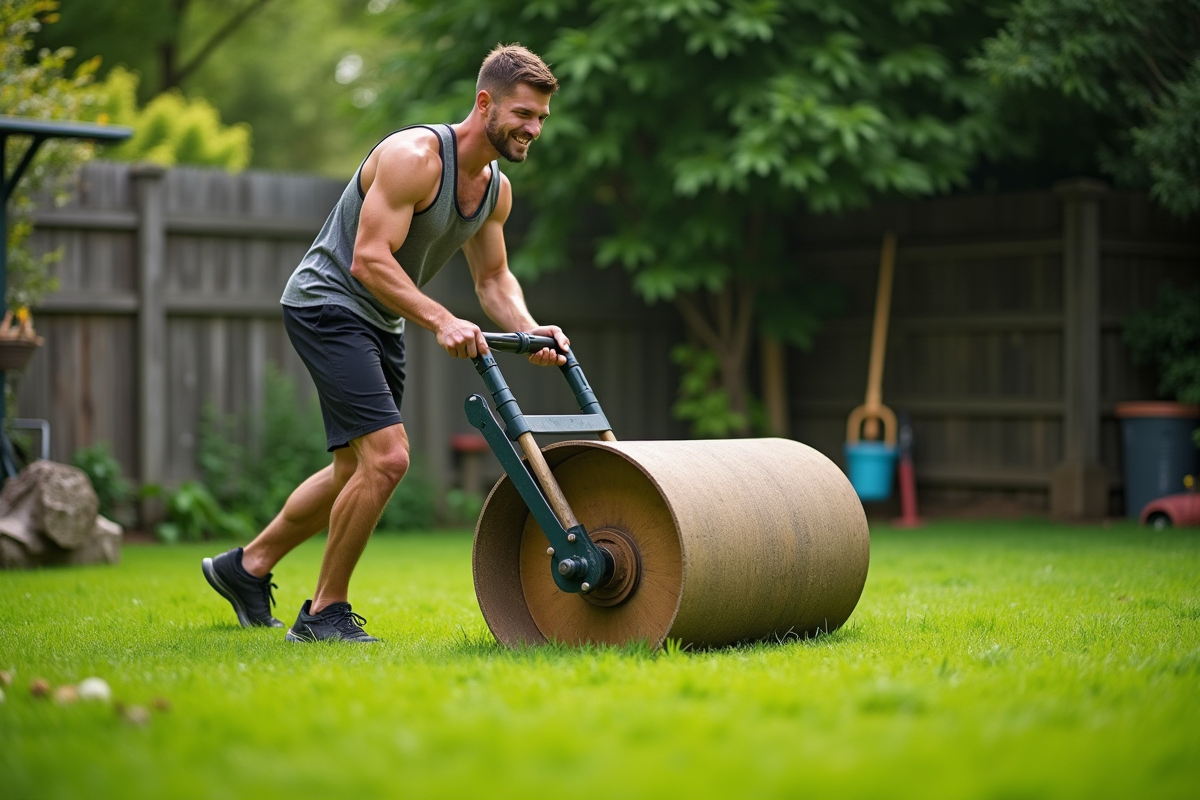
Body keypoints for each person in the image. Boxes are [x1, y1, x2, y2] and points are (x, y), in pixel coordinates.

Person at [201, 44, 567, 643]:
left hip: (380, 319)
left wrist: (530, 330)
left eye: (541, 118)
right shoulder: (414, 158)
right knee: (388, 458)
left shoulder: (495, 190)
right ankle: (323, 615)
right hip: (327, 302)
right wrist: (442, 320)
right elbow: (368, 260)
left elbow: (494, 279)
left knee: (354, 467)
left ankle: (245, 568)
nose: (534, 128)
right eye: (524, 114)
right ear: (485, 104)